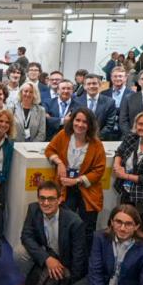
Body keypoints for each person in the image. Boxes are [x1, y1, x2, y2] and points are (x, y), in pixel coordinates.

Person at [45, 107, 106, 249]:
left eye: (85, 122)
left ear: (90, 125)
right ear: (72, 121)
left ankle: (84, 261)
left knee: (86, 229)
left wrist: (78, 180)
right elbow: (50, 150)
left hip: (88, 191)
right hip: (65, 189)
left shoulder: (97, 144)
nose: (80, 124)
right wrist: (59, 162)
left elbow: (99, 170)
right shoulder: (63, 135)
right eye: (77, 120)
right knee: (65, 225)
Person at [16, 181, 87, 285]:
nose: (46, 203)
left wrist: (71, 284)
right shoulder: (33, 209)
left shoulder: (74, 222)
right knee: (19, 252)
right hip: (47, 254)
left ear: (59, 200)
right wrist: (46, 259)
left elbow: (79, 257)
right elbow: (26, 236)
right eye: (42, 198)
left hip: (65, 263)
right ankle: (30, 283)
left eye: (51, 199)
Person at [75, 74, 120, 141]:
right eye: (89, 84)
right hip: (80, 139)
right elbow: (75, 122)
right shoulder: (76, 101)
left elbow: (109, 125)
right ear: (84, 86)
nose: (91, 86)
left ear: (100, 85)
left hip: (101, 140)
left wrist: (94, 137)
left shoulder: (110, 102)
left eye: (94, 83)